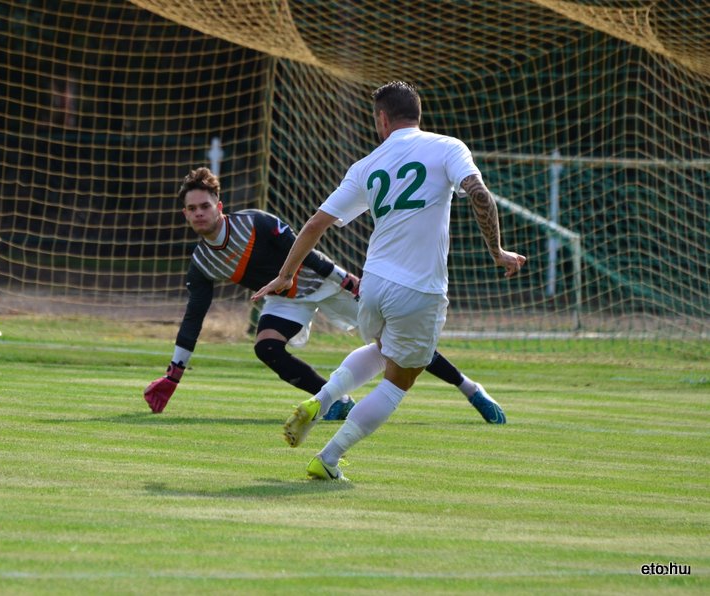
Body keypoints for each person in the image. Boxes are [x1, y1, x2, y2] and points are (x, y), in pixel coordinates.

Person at [252, 81, 526, 481]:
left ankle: (322, 399)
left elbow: (314, 224)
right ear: (418, 113)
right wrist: (497, 250)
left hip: (373, 285)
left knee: (383, 349)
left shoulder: (366, 165)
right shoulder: (448, 146)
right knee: (400, 380)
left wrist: (285, 274)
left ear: (382, 119)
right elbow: (479, 195)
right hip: (418, 288)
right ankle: (328, 458)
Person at [144, 167, 508, 425]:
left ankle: (471, 389)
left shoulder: (255, 222)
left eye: (204, 206)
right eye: (192, 209)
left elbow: (308, 252)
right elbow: (194, 317)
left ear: (219, 206)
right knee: (266, 347)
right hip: (285, 297)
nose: (199, 213)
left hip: (324, 282)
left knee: (400, 342)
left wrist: (346, 280)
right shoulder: (201, 262)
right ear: (185, 214)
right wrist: (173, 375)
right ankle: (337, 402)